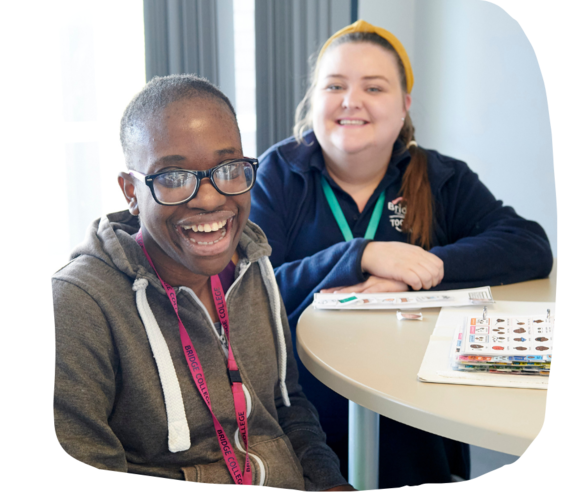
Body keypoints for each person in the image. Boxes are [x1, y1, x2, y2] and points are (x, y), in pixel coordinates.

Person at [249, 20, 553, 487]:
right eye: (335, 85)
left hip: (415, 413)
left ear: (405, 104)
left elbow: (528, 245)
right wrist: (362, 254)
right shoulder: (278, 173)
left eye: (374, 87)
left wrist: (417, 273)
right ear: (315, 98)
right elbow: (252, 288)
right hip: (302, 416)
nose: (352, 100)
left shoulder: (440, 177)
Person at [51, 74, 355, 491]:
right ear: (131, 192)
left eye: (228, 169)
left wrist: (329, 481)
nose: (210, 199)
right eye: (173, 177)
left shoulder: (253, 264)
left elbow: (287, 407)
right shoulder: (79, 304)